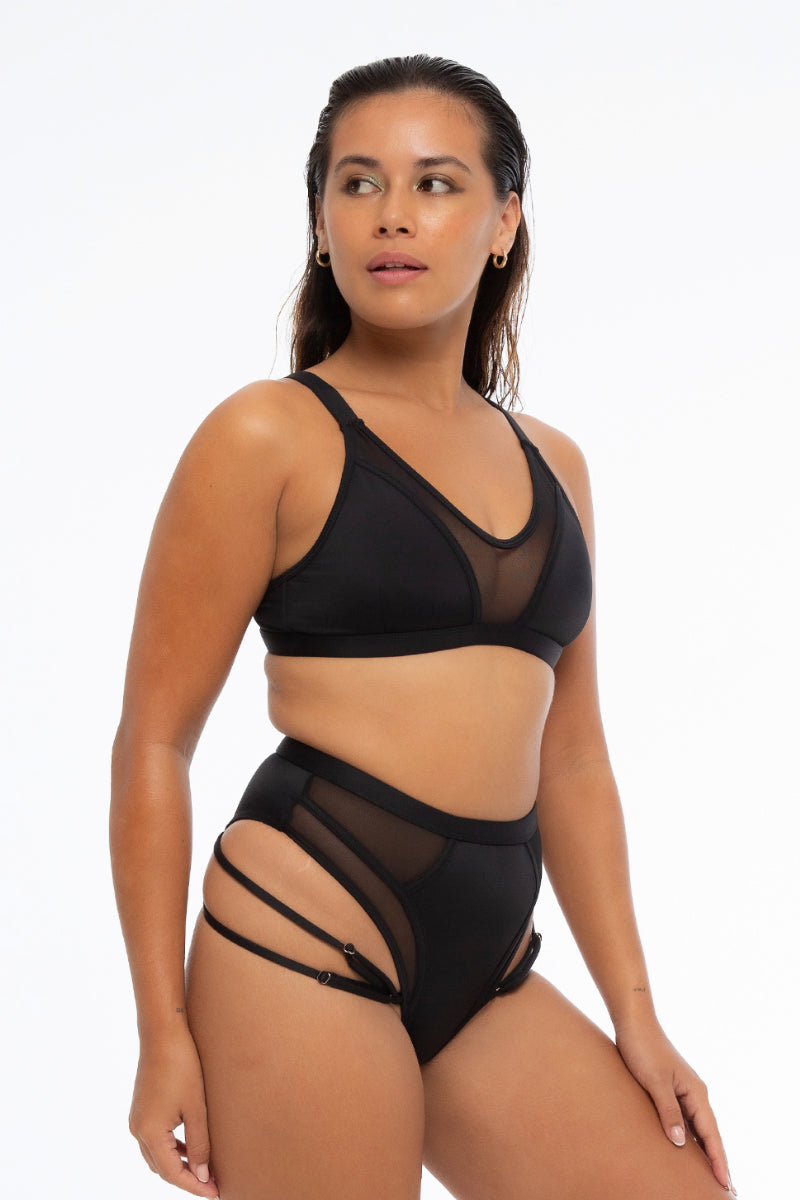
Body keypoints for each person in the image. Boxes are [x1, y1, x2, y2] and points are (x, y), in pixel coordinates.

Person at [110, 53, 734, 1200]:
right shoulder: (266, 436)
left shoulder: (554, 466)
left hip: (485, 954)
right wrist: (162, 1032)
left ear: (502, 224)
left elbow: (572, 759)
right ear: (320, 222)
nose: (391, 215)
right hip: (304, 922)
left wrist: (635, 1020)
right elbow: (154, 741)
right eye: (357, 183)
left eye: (435, 183)